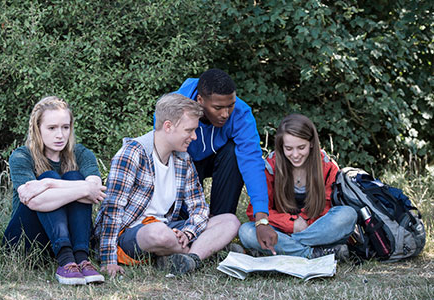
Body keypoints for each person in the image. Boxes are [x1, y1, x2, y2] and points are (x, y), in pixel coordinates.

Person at [94, 93, 240, 277]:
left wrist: (188, 233)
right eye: (189, 130)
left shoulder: (183, 160)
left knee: (230, 221)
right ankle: (209, 252)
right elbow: (112, 209)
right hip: (132, 232)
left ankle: (188, 259)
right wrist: (108, 260)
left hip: (168, 228)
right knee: (159, 233)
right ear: (168, 126)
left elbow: (199, 207)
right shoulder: (132, 153)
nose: (194, 137)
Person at [3, 96, 106, 285]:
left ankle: (82, 260)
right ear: (38, 129)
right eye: (52, 128)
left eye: (65, 127)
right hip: (27, 240)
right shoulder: (21, 156)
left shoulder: (81, 153)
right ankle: (67, 260)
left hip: (71, 238)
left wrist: (48, 185)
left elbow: (95, 189)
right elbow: (33, 201)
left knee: (73, 176)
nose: (60, 135)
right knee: (50, 176)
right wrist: (79, 189)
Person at [173, 69, 277, 253]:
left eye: (230, 105)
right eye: (218, 108)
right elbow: (161, 154)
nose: (225, 114)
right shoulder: (173, 108)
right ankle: (180, 226)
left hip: (218, 160)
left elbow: (252, 163)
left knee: (234, 153)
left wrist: (261, 219)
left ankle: (219, 228)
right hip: (182, 160)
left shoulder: (241, 113)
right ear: (200, 101)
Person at [238, 114, 357, 260]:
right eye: (288, 148)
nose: (295, 155)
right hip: (280, 229)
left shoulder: (327, 166)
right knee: (246, 232)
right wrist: (291, 224)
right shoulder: (271, 166)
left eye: (301, 147)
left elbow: (326, 208)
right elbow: (256, 211)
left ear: (311, 143)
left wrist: (304, 225)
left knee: (348, 215)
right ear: (281, 147)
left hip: (316, 229)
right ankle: (313, 253)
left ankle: (283, 248)